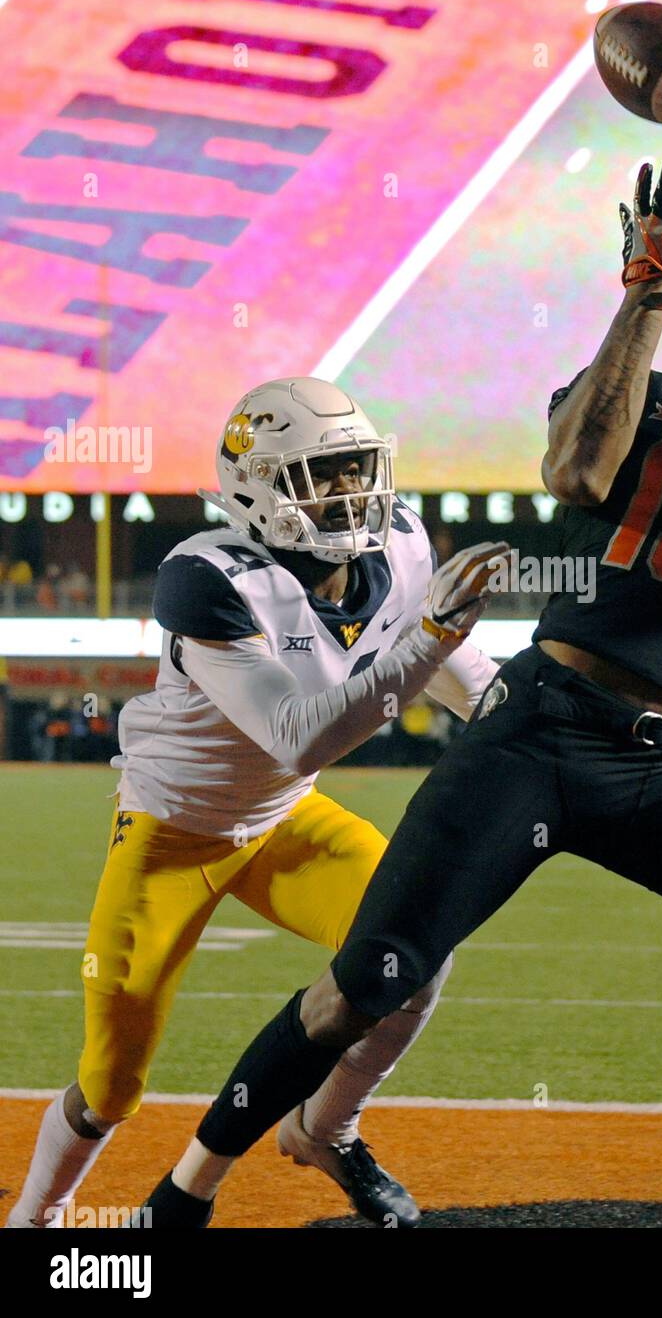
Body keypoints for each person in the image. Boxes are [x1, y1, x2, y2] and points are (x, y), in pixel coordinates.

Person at [138, 167, 662, 1230]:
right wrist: (645, 292)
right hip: (534, 726)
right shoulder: (654, 396)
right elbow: (571, 470)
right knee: (364, 985)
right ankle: (181, 1194)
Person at [5, 377, 507, 1230]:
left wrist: (537, 720)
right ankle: (37, 1217)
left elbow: (467, 681)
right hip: (172, 832)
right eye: (326, 474)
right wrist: (432, 640)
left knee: (413, 949)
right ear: (258, 487)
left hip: (283, 821)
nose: (353, 492)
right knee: (111, 1083)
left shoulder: (403, 547)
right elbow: (297, 734)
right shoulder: (208, 575)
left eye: (357, 468)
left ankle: (327, 1129)